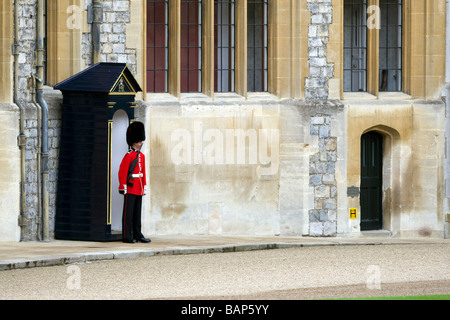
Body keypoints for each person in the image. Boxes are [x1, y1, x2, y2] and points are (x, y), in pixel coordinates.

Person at [118, 121, 151, 243]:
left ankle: (138, 234)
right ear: (134, 141)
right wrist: (123, 186)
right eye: (139, 141)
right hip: (131, 187)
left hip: (139, 187)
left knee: (137, 213)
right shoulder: (129, 156)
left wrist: (144, 186)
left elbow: (143, 173)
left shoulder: (141, 156)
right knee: (129, 213)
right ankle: (127, 235)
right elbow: (122, 172)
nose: (140, 143)